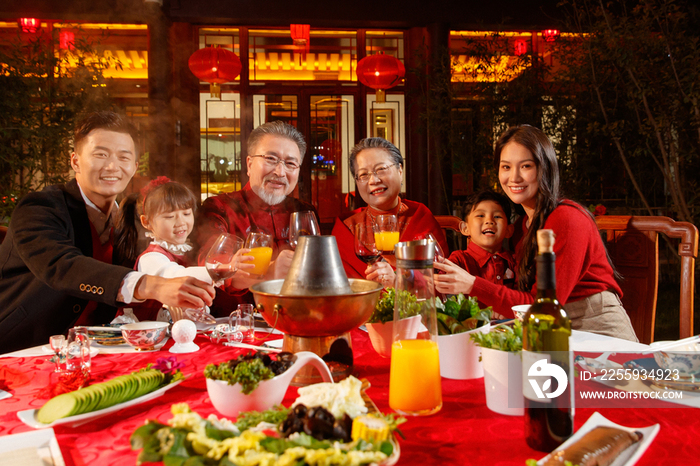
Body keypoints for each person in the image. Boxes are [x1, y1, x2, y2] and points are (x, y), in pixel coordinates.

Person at [0, 112, 215, 353]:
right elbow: (61, 265)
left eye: (123, 157)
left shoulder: (132, 220)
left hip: (101, 348)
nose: (112, 166)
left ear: (134, 167)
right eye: (100, 154)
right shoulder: (40, 207)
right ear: (75, 161)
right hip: (23, 347)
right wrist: (150, 284)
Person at [435, 125, 637, 341]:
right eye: (506, 167)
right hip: (542, 326)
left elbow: (544, 306)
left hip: (595, 326)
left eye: (526, 166)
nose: (514, 177)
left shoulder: (567, 219)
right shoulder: (522, 226)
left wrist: (473, 284)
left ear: (545, 168)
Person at [192, 120, 316, 315]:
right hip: (234, 328)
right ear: (249, 164)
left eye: (290, 163)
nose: (279, 172)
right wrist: (269, 273)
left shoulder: (304, 213)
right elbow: (211, 266)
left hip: (296, 320)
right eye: (270, 159)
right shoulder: (219, 207)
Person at [117, 177, 252, 321]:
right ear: (147, 222)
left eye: (186, 214)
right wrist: (223, 269)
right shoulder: (151, 257)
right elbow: (177, 277)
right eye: (169, 216)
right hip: (146, 335)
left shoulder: (189, 251)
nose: (181, 222)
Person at [331, 137, 448, 288]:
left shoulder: (419, 217)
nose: (373, 180)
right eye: (363, 175)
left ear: (400, 170)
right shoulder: (347, 227)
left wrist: (400, 281)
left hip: (413, 309)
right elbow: (337, 286)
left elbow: (442, 279)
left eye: (381, 169)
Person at [444, 190, 515, 317]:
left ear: (509, 230)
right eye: (480, 216)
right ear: (465, 228)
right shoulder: (459, 260)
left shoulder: (514, 261)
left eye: (497, 216)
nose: (489, 221)